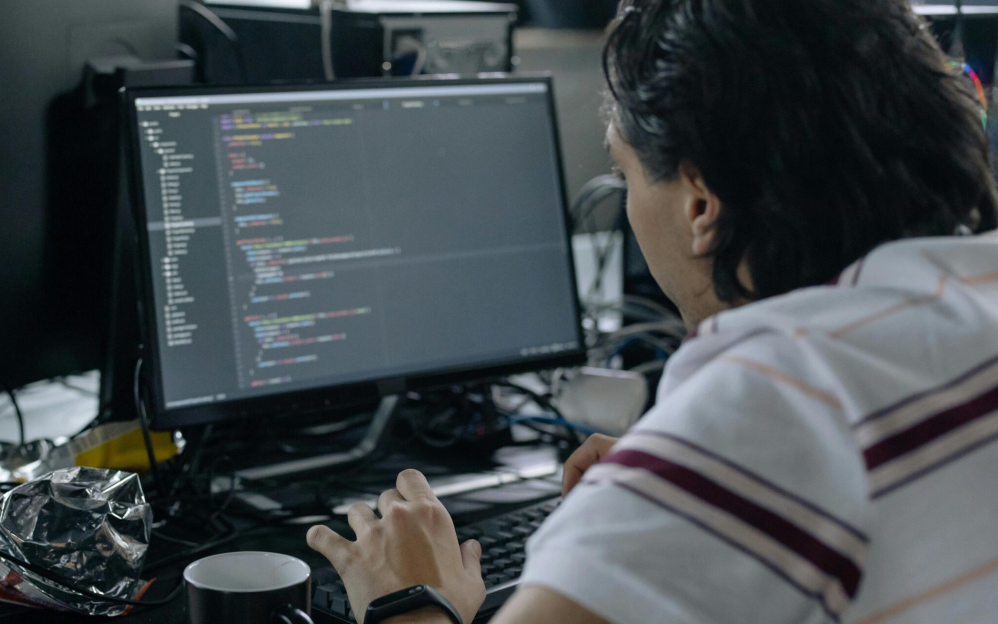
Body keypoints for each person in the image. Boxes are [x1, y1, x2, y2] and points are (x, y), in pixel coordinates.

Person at [305, 0, 998, 622]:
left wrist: (412, 604)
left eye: (625, 173)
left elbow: (776, 440)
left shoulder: (762, 418)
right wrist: (665, 487)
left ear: (699, 203)